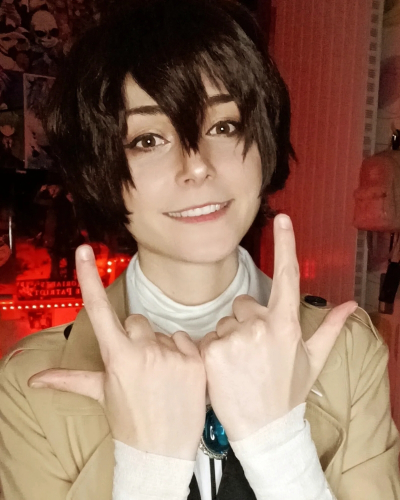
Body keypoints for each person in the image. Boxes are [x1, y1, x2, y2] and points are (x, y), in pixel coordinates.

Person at [0, 1, 399, 499]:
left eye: (223, 127)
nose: (196, 167)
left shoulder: (348, 350)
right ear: (100, 169)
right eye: (148, 139)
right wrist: (149, 470)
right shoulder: (32, 383)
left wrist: (279, 448)